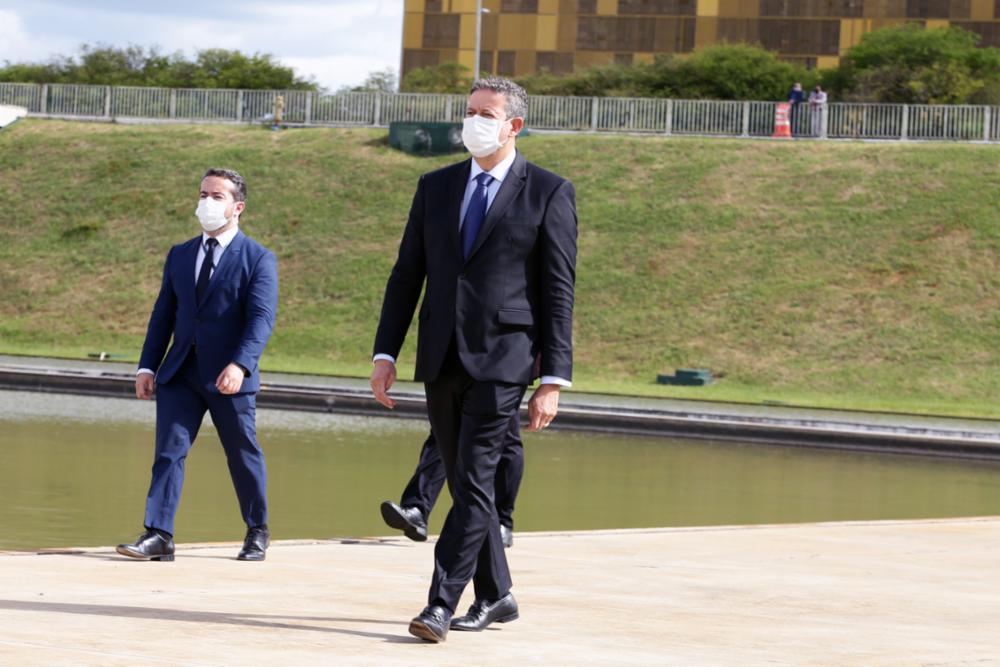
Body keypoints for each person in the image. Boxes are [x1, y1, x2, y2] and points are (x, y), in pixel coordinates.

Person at [370, 76, 577, 643]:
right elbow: (407, 275)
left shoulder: (549, 192)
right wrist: (385, 352)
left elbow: (559, 289)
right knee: (469, 485)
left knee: (476, 474)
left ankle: (439, 603)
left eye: (486, 113)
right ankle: (498, 595)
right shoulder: (435, 187)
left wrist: (553, 378)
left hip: (506, 359)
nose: (473, 121)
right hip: (441, 355)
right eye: (468, 111)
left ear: (514, 125)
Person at [116, 168, 278, 563]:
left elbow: (261, 319)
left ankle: (257, 531)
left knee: (242, 453)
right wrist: (146, 366)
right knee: (168, 453)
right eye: (203, 193)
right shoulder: (181, 254)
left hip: (229, 377)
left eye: (217, 196)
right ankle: (159, 534)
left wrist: (240, 364)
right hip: (180, 373)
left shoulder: (258, 258)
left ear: (237, 206)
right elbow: (163, 315)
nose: (207, 201)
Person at [380, 413, 524, 548]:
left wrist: (547, 387)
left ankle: (500, 523)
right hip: (456, 385)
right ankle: (417, 509)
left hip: (500, 389)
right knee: (442, 430)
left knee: (505, 435)